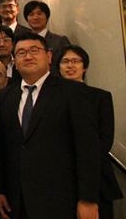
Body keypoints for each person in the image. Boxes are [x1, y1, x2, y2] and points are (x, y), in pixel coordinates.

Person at [0, 33, 101, 219]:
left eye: (34, 50)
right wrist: (0, 189)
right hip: (18, 200)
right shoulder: (5, 96)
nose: (28, 56)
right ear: (14, 62)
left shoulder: (73, 92)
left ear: (49, 56)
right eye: (21, 53)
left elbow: (88, 148)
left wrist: (88, 199)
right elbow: (2, 147)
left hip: (62, 199)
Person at [57, 46, 123, 218]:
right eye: (65, 61)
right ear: (58, 67)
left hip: (96, 177)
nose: (70, 66)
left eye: (76, 61)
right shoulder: (51, 98)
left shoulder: (100, 97)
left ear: (84, 67)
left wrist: (83, 159)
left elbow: (105, 139)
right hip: (60, 178)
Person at [23, 0, 70, 71]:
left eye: (39, 13)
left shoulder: (59, 41)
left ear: (47, 18)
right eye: (31, 14)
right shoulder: (23, 42)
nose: (35, 17)